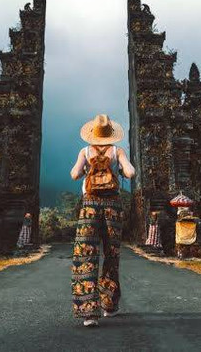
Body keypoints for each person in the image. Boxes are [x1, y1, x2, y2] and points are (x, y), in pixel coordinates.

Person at [70, 114, 135, 327]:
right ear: (111, 134)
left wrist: (86, 171)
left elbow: (74, 174)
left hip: (89, 205)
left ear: (92, 134)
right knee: (111, 254)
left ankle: (89, 313)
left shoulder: (85, 151)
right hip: (112, 207)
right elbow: (131, 172)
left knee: (85, 255)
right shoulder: (117, 151)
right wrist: (121, 170)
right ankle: (109, 305)